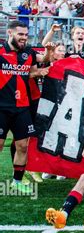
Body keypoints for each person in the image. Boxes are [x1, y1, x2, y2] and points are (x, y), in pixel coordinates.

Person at [0, 21, 49, 194]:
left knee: (22, 146)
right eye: (20, 34)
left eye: (26, 35)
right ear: (10, 33)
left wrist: (48, 52)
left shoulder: (28, 53)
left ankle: (16, 182)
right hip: (1, 108)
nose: (24, 38)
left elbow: (42, 62)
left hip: (22, 107)